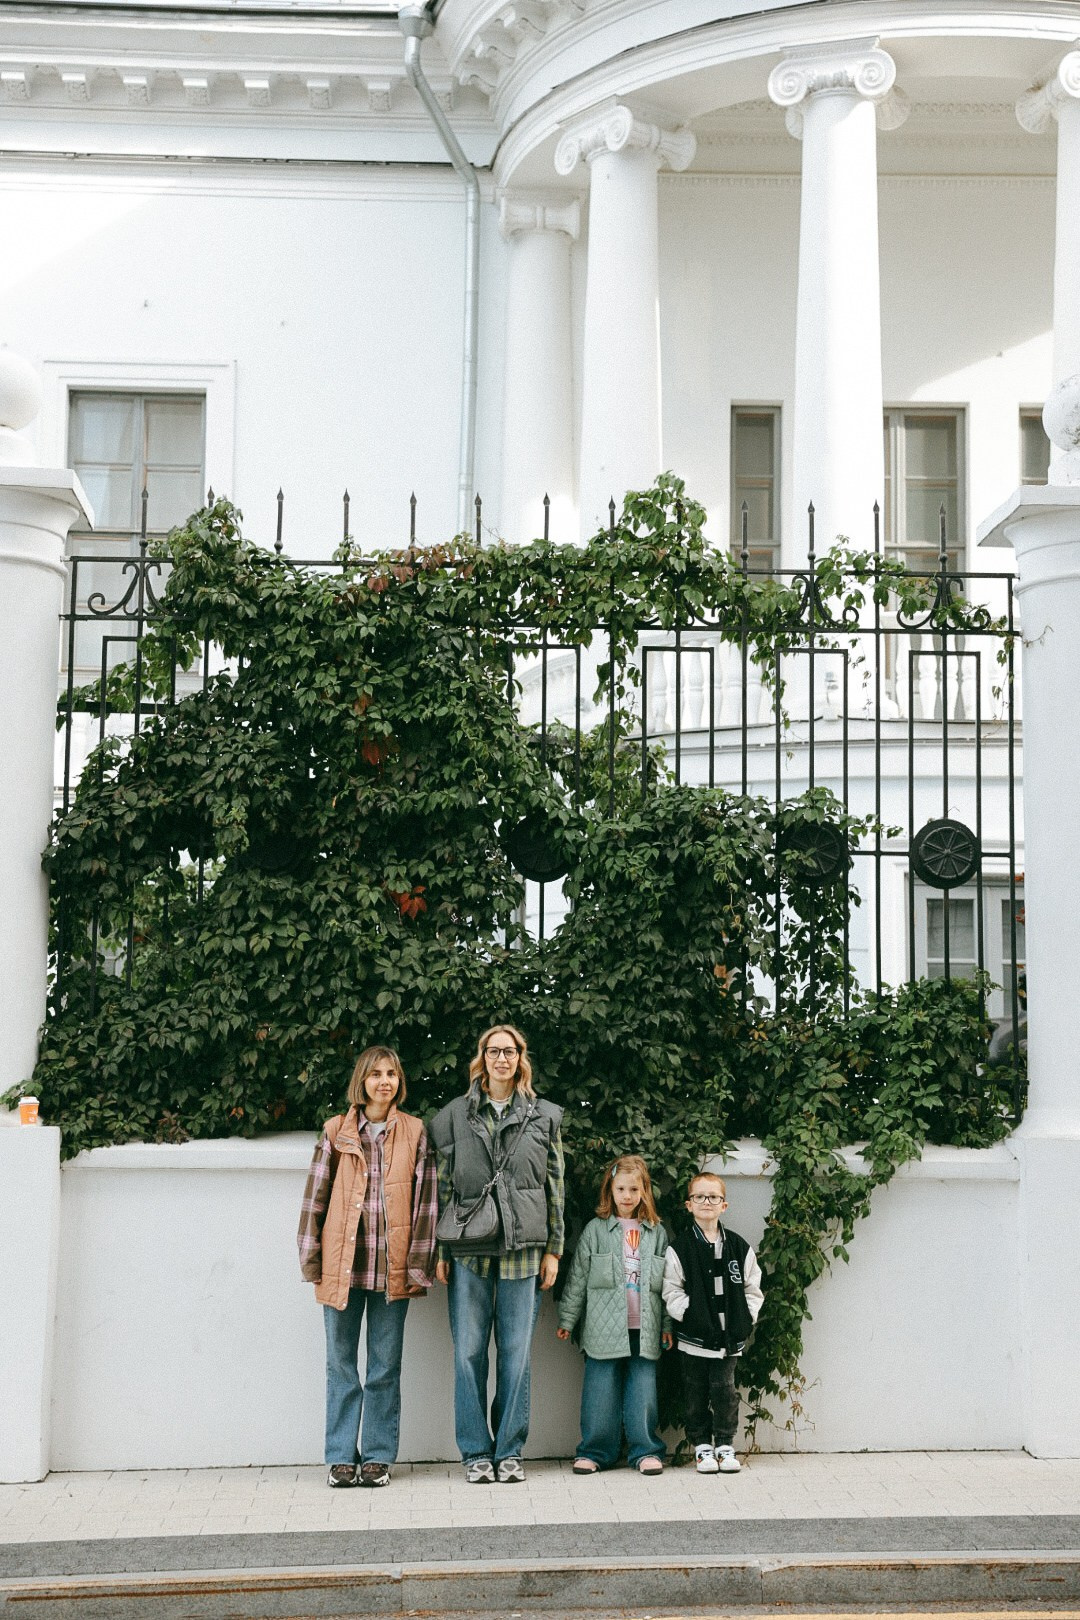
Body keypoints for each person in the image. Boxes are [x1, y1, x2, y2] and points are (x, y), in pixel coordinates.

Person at [430, 1024, 564, 1484]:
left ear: (520, 1058)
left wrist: (555, 1251)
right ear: (482, 1058)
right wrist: (440, 1251)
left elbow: (555, 1187)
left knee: (516, 1354)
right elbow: (442, 1187)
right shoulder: (453, 1115)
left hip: (524, 1251)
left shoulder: (544, 1116)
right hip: (468, 1251)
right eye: (494, 1051)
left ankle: (509, 1451)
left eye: (509, 1051)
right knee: (468, 1352)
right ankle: (474, 1453)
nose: (501, 1059)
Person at [297, 1045, 437, 1488]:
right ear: (362, 1080)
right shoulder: (337, 1130)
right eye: (375, 1074)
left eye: (391, 1074)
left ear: (399, 1082)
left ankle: (377, 1456)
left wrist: (420, 1263)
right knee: (341, 1365)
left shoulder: (415, 1132)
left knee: (383, 1367)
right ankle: (341, 1456)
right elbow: (315, 1196)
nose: (384, 1082)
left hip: (391, 1269)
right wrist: (310, 1256)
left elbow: (427, 1203)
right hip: (343, 1267)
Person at [556, 1154, 672, 1475]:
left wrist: (666, 1325)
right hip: (602, 1328)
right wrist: (568, 1319)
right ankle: (595, 1451)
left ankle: (646, 1450)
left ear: (644, 1192)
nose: (627, 1196)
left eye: (634, 1190)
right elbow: (578, 1277)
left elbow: (666, 1286)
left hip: (644, 1326)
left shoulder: (656, 1233)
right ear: (611, 1190)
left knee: (643, 1390)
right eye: (621, 1189)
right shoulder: (595, 1231)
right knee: (600, 1391)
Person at [662, 1169, 763, 1474]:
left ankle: (724, 1445)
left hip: (728, 1340)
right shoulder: (680, 1248)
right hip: (694, 1340)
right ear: (688, 1204)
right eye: (699, 1196)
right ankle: (702, 1448)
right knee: (695, 1393)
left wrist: (744, 1320)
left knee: (725, 1392)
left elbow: (752, 1288)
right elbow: (671, 1290)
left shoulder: (737, 1247)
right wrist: (693, 1315)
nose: (706, 1202)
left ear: (724, 1205)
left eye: (713, 1197)